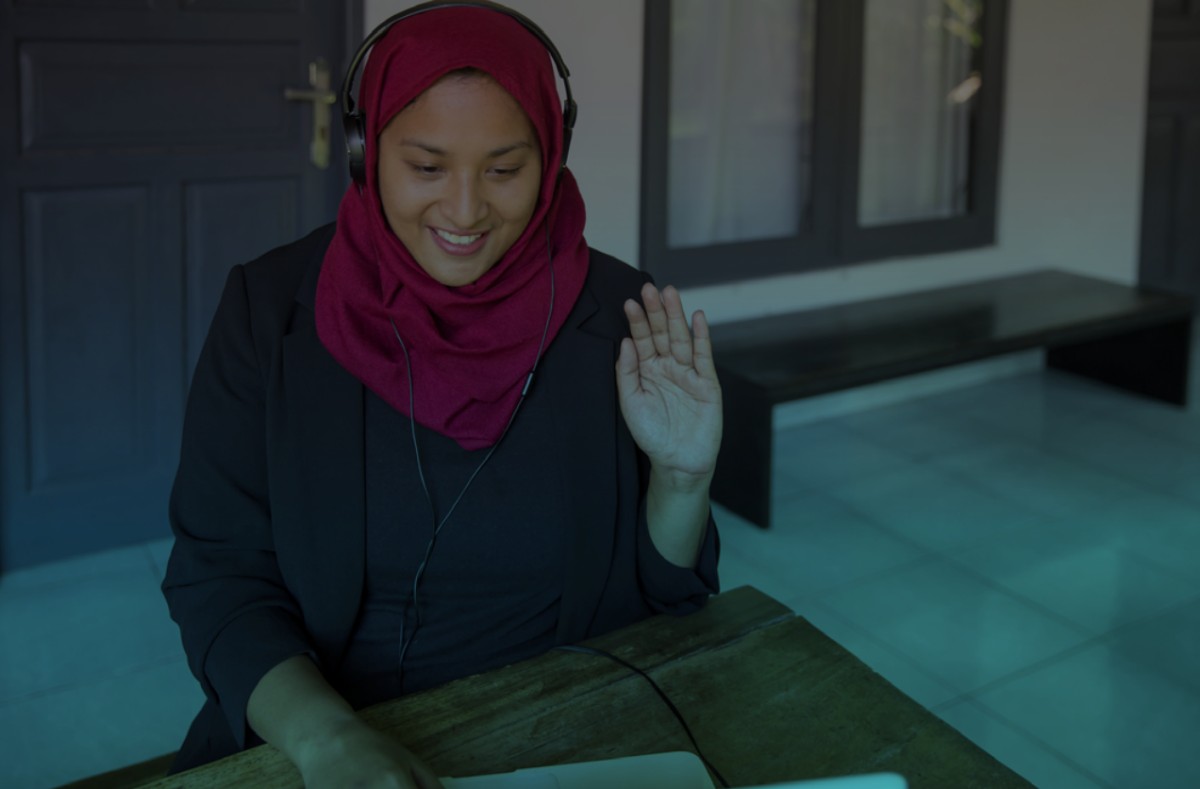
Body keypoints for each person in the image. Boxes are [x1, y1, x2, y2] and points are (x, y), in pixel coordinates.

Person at [161, 2, 722, 786]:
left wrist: (683, 479)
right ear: (365, 153)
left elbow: (668, 599)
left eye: (505, 168)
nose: (465, 211)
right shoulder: (269, 310)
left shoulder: (624, 319)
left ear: (552, 157)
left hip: (563, 731)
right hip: (317, 741)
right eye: (426, 167)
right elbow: (217, 571)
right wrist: (328, 740)